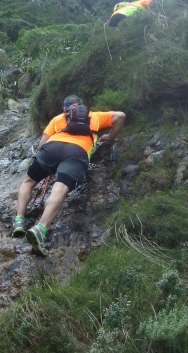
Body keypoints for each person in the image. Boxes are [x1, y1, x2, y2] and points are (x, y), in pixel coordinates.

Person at [13, 95, 126, 256]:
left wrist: (50, 163)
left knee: (28, 182)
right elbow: (121, 116)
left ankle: (19, 221)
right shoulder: (94, 116)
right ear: (82, 106)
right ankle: (40, 229)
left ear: (65, 109)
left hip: (51, 149)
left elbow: (41, 144)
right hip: (77, 152)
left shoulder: (58, 119)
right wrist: (110, 137)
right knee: (59, 190)